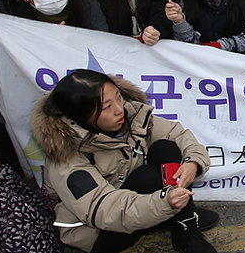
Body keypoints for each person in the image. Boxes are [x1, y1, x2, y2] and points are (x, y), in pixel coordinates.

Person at [31, 69, 218, 253]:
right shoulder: (66, 159)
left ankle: (184, 223)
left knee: (166, 148)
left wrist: (192, 162)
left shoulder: (131, 116)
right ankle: (175, 216)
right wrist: (164, 203)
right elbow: (106, 211)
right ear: (81, 116)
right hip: (100, 230)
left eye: (118, 97)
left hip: (139, 203)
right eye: (107, 107)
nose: (119, 109)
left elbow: (177, 135)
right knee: (150, 177)